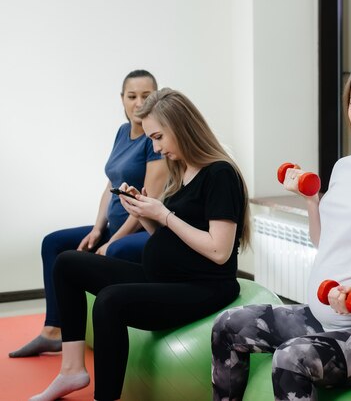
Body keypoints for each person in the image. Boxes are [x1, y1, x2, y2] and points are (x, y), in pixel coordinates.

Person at [211, 59, 351, 400]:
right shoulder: (345, 167)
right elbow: (325, 241)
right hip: (327, 317)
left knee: (291, 359)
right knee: (227, 326)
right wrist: (312, 200)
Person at [28, 88, 251, 401]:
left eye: (158, 137)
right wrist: (144, 213)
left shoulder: (220, 174)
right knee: (66, 262)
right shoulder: (183, 171)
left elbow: (219, 250)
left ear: (181, 128)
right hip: (167, 276)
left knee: (110, 301)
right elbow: (170, 237)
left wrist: (164, 213)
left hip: (204, 286)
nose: (156, 149)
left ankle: (106, 397)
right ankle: (71, 370)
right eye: (152, 140)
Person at [9, 70, 168, 358]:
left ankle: (114, 334)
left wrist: (111, 242)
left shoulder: (154, 140)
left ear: (157, 97)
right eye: (132, 96)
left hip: (143, 230)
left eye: (146, 95)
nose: (138, 102)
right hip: (115, 226)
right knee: (54, 243)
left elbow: (147, 201)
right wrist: (97, 229)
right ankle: (53, 331)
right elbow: (111, 183)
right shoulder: (122, 132)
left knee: (116, 249)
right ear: (122, 99)